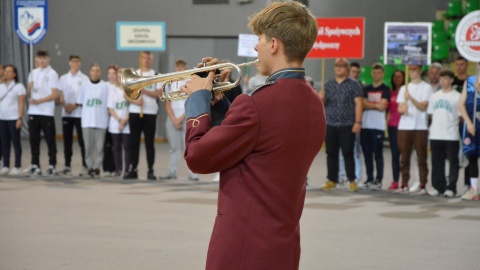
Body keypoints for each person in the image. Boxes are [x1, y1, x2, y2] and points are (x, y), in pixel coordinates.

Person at [180, 2, 324, 269]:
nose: (255, 47)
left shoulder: (258, 104)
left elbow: (197, 157)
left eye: (259, 38)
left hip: (242, 249)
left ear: (274, 45)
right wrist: (224, 99)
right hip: (282, 247)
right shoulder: (314, 103)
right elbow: (260, 140)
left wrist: (197, 98)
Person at [320, 58, 363, 192]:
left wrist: (358, 122)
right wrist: (320, 98)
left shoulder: (354, 85)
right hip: (330, 123)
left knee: (348, 153)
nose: (339, 68)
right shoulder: (327, 85)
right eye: (337, 65)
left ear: (347, 69)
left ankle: (352, 180)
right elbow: (322, 104)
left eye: (342, 66)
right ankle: (332, 179)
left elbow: (359, 104)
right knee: (331, 153)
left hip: (347, 124)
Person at [396, 65, 433, 194]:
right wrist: (403, 109)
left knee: (421, 157)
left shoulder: (426, 87)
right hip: (405, 126)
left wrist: (410, 98)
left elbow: (423, 106)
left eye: (414, 69)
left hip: (420, 126)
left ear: (420, 70)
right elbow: (400, 108)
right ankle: (404, 183)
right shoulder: (403, 88)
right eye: (410, 69)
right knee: (404, 157)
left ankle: (423, 184)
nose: (412, 71)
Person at [159, 59, 198, 181]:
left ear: (186, 68)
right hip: (172, 118)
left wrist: (181, 118)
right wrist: (174, 119)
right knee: (174, 147)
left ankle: (193, 173)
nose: (180, 69)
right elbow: (167, 103)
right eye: (178, 67)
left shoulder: (190, 82)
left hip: (187, 117)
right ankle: (172, 171)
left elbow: (192, 102)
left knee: (189, 147)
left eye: (182, 67)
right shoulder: (170, 83)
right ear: (175, 68)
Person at [124, 51, 159, 180]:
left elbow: (159, 94)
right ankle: (133, 169)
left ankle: (150, 170)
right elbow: (126, 93)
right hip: (135, 111)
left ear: (151, 60)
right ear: (141, 59)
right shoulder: (135, 74)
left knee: (149, 143)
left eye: (148, 58)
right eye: (144, 58)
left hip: (150, 112)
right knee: (134, 142)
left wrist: (145, 91)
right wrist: (135, 100)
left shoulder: (155, 75)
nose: (146, 60)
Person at [23, 50, 59, 176]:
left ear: (48, 59)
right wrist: (29, 87)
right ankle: (35, 164)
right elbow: (29, 93)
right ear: (36, 59)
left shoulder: (52, 74)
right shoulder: (33, 73)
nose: (41, 60)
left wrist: (38, 101)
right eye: (39, 58)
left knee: (50, 140)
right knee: (34, 139)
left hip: (46, 112)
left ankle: (52, 165)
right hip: (33, 111)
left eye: (44, 58)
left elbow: (54, 94)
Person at [427, 70, 460, 197]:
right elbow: (431, 115)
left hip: (451, 134)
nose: (443, 81)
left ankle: (451, 187)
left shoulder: (457, 96)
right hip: (436, 134)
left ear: (451, 80)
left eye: (446, 78)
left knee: (453, 163)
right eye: (441, 79)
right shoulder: (435, 96)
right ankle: (437, 186)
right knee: (437, 163)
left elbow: (460, 116)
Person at [359, 63, 390, 190]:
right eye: (374, 72)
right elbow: (363, 104)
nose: (376, 75)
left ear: (382, 74)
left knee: (378, 154)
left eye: (379, 72)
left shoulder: (386, 89)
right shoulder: (366, 89)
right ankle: (369, 178)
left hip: (378, 125)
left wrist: (369, 104)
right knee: (367, 153)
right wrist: (376, 104)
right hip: (366, 125)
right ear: (371, 73)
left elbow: (383, 105)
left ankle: (378, 180)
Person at [77, 63, 109, 178]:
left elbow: (107, 103)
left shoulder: (105, 86)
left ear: (100, 73)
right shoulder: (84, 86)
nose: (95, 73)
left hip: (101, 120)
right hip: (87, 121)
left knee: (99, 147)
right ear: (90, 72)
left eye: (97, 71)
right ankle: (89, 166)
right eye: (93, 70)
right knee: (88, 146)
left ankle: (96, 167)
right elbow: (80, 103)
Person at [58, 55, 89, 176]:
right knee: (67, 141)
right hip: (66, 113)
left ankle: (85, 165)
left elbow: (85, 95)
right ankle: (67, 165)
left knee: (82, 141)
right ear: (69, 63)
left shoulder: (84, 78)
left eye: (78, 61)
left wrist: (75, 105)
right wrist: (65, 105)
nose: (76, 63)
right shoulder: (63, 78)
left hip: (79, 114)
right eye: (74, 61)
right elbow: (60, 94)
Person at [339, 61, 363, 184]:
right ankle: (340, 176)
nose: (355, 74)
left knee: (354, 152)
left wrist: (357, 122)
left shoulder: (358, 85)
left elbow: (360, 104)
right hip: (339, 125)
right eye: (353, 71)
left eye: (357, 72)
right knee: (341, 153)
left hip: (352, 124)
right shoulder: (341, 85)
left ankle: (357, 177)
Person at [0, 65, 26, 175]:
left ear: (14, 74)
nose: (7, 73)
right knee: (4, 143)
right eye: (5, 71)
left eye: (10, 72)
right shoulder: (1, 86)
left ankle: (17, 166)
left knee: (15, 142)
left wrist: (20, 118)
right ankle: (5, 165)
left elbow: (21, 103)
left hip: (13, 118)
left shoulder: (19, 86)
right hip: (2, 118)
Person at [459, 68, 480, 201]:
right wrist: (469, 123)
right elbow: (461, 104)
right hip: (472, 123)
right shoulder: (470, 81)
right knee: (472, 156)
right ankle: (474, 188)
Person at [107, 68, 130, 179]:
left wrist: (125, 120)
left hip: (127, 124)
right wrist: (119, 120)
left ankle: (126, 170)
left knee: (126, 147)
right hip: (115, 123)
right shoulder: (113, 91)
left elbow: (131, 107)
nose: (120, 78)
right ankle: (118, 169)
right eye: (118, 76)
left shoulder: (130, 90)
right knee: (116, 147)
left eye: (122, 76)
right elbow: (111, 108)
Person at [387, 70, 405, 190]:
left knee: (405, 154)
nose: (397, 79)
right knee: (395, 154)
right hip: (393, 125)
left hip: (405, 125)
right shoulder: (390, 92)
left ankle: (405, 180)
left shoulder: (407, 91)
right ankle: (395, 180)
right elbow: (387, 109)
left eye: (400, 76)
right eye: (395, 76)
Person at [103, 65, 119, 177]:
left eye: (114, 73)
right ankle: (106, 168)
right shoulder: (104, 86)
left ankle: (115, 167)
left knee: (116, 145)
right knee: (107, 145)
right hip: (105, 118)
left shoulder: (119, 87)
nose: (112, 76)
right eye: (110, 73)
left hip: (116, 118)